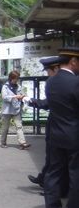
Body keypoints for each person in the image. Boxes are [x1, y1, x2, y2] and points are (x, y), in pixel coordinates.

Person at [42, 47, 79, 208]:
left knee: (53, 173)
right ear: (73, 61)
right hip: (74, 136)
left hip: (55, 135)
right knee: (75, 175)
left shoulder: (51, 82)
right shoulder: (76, 82)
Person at [27, 56, 63, 187]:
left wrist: (30, 100)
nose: (47, 74)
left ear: (56, 68)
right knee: (52, 159)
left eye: (48, 70)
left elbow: (47, 104)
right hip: (59, 129)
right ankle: (44, 180)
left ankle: (51, 187)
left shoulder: (58, 84)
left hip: (59, 130)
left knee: (55, 160)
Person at [0, 70, 30, 149]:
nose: (17, 80)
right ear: (11, 78)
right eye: (15, 78)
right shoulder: (5, 86)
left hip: (16, 109)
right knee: (5, 127)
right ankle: (3, 142)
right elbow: (4, 97)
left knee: (19, 126)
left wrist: (22, 96)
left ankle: (22, 143)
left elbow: (21, 95)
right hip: (7, 110)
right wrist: (15, 97)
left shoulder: (18, 86)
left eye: (17, 78)